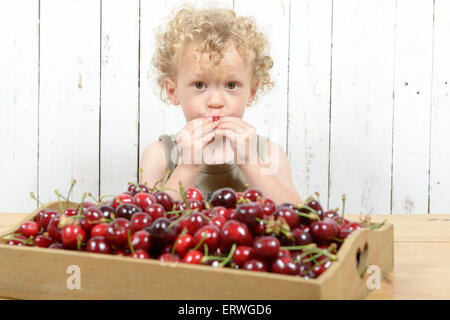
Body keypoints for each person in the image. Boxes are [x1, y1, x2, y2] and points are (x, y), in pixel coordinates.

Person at [140, 5, 302, 205]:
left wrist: (251, 163)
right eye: (199, 85)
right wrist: (187, 167)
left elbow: (297, 216)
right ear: (173, 92)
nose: (216, 102)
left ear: (251, 93)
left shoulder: (268, 153)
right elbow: (148, 221)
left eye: (231, 85)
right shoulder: (159, 155)